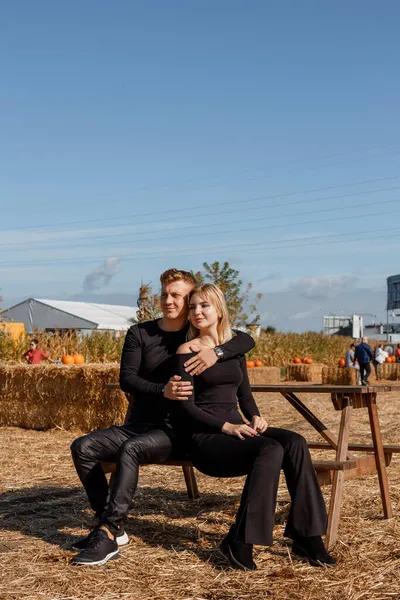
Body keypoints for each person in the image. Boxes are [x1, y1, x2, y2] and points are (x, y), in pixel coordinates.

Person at [70, 268, 255, 566]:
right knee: (82, 447)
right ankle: (109, 527)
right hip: (138, 424)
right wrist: (162, 390)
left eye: (178, 296)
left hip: (175, 429)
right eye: (165, 294)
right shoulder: (140, 333)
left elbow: (244, 340)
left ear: (190, 300)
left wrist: (217, 352)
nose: (169, 301)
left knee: (131, 450)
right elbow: (127, 379)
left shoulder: (193, 337)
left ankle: (107, 531)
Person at [169, 283, 335, 570]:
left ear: (219, 310)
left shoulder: (232, 348)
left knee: (295, 442)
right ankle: (240, 542)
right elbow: (185, 407)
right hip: (206, 438)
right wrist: (227, 427)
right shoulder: (188, 350)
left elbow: (244, 394)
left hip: (237, 428)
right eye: (193, 306)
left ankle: (307, 536)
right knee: (269, 449)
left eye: (204, 305)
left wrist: (255, 416)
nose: (197, 312)